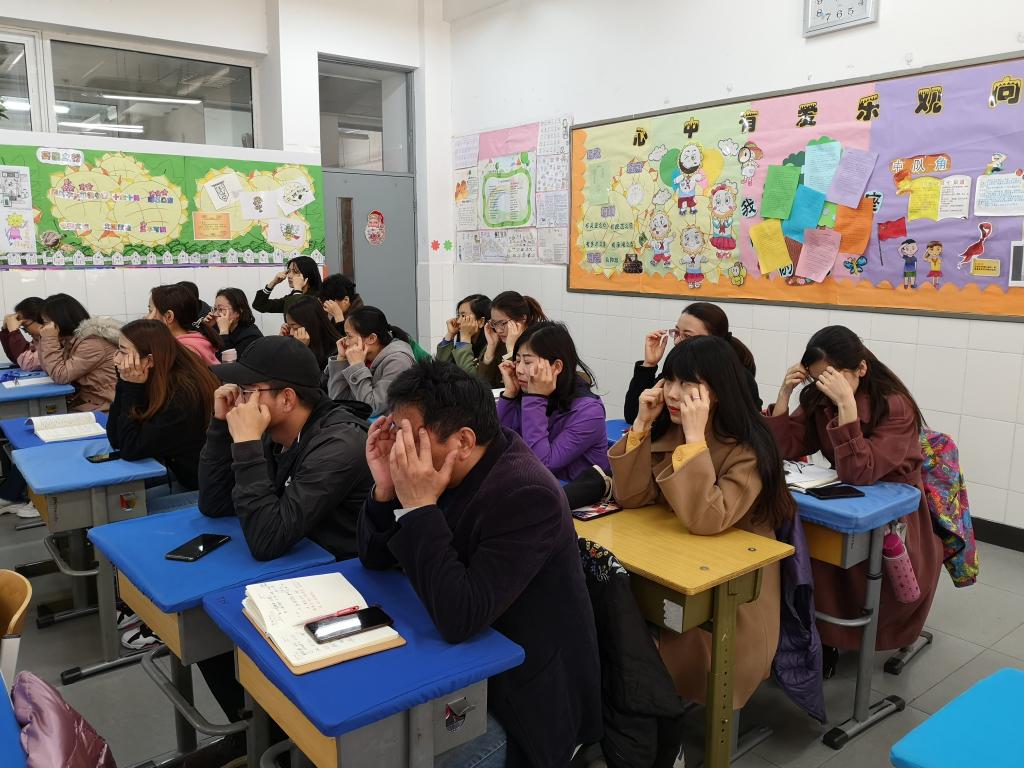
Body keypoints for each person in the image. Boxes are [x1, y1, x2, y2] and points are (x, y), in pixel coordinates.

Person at [357, 361, 602, 766]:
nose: (401, 451)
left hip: (518, 699)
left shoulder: (526, 494)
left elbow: (460, 617)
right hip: (458, 666)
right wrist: (385, 489)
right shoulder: (442, 466)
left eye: (410, 438)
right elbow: (374, 560)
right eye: (395, 431)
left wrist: (419, 507)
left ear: (464, 441)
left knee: (394, 755)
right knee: (365, 736)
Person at [196, 335, 375, 727]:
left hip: (351, 582)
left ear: (288, 399)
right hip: (301, 564)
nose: (239, 400)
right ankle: (257, 729)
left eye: (248, 391)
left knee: (220, 635)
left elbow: (266, 540)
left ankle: (275, 734)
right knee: (207, 634)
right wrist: (220, 426)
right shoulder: (274, 429)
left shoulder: (338, 444)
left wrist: (246, 445)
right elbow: (213, 503)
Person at [611, 335, 794, 709]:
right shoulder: (669, 428)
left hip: (732, 601)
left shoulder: (747, 448)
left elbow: (707, 520)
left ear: (719, 391)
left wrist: (694, 440)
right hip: (674, 566)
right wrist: (641, 425)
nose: (674, 394)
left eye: (689, 384)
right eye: (670, 380)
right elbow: (631, 498)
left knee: (635, 650)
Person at [766, 325, 943, 668]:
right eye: (819, 379)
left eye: (834, 377)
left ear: (861, 368)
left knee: (861, 575)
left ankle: (846, 634)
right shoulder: (820, 399)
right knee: (809, 548)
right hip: (844, 500)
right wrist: (785, 395)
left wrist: (846, 405)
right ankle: (821, 635)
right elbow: (784, 446)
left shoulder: (894, 406)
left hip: (894, 511)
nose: (826, 386)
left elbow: (861, 471)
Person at [497, 322, 611, 509]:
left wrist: (535, 399)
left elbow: (541, 466)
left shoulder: (589, 411)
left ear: (556, 366)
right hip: (537, 493)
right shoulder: (528, 394)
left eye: (528, 362)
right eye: (517, 361)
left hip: (574, 501)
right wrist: (509, 395)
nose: (519, 369)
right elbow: (500, 447)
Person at [108, 319, 219, 492]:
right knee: (118, 492)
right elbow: (117, 439)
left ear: (149, 360)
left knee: (129, 503)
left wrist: (130, 387)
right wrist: (124, 383)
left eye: (123, 352)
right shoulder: (157, 380)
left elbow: (130, 448)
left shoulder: (181, 396)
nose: (116, 359)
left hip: (204, 489)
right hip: (183, 472)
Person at [624, 302, 760, 424]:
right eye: (677, 332)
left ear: (714, 340)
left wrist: (694, 437)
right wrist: (649, 364)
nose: (677, 341)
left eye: (687, 336)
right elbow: (633, 416)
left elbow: (747, 430)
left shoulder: (738, 378)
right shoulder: (677, 369)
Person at [38, 293, 120, 412]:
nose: (43, 328)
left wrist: (49, 339)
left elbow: (60, 376)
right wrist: (45, 339)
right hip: (88, 401)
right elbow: (48, 369)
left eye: (46, 323)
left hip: (106, 407)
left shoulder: (92, 344)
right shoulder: (72, 340)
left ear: (60, 320)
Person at [327, 306, 415, 416]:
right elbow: (339, 401)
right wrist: (341, 360)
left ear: (372, 338)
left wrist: (357, 366)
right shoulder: (362, 357)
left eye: (349, 336)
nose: (346, 342)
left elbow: (372, 408)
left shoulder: (398, 362)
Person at [477, 291, 547, 387]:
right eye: (494, 323)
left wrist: (511, 349)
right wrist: (491, 347)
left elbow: (521, 387)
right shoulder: (498, 341)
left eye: (503, 323)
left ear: (523, 318)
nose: (498, 330)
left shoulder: (537, 342)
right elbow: (481, 385)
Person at [147, 284, 219, 365]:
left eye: (150, 311)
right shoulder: (194, 338)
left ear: (169, 316)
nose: (147, 317)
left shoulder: (183, 351)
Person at [281, 295, 342, 372]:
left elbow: (315, 377)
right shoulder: (293, 340)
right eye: (289, 327)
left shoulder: (337, 350)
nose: (291, 333)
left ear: (310, 324)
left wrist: (301, 350)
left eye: (295, 327)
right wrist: (282, 342)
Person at [435, 294, 490, 376]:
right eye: (458, 315)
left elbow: (471, 378)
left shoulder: (490, 347)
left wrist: (465, 338)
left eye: (463, 316)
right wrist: (450, 335)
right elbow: (440, 370)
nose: (458, 321)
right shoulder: (464, 342)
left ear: (481, 321)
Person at [202, 288, 263, 361]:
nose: (215, 314)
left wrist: (224, 332)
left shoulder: (251, 336)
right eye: (215, 309)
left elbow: (227, 363)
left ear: (238, 311)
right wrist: (207, 328)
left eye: (220, 309)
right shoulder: (217, 327)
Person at [252, 255, 322, 316]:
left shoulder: (318, 298)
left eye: (295, 272)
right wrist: (273, 283)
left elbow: (299, 316)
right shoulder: (291, 297)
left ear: (308, 275)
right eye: (289, 271)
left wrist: (297, 289)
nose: (289, 276)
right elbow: (259, 305)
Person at [1, 297, 44, 370]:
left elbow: (28, 363)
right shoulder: (38, 340)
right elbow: (17, 358)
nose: (25, 331)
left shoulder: (55, 341)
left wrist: (14, 332)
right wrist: (6, 331)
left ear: (41, 320)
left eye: (25, 326)